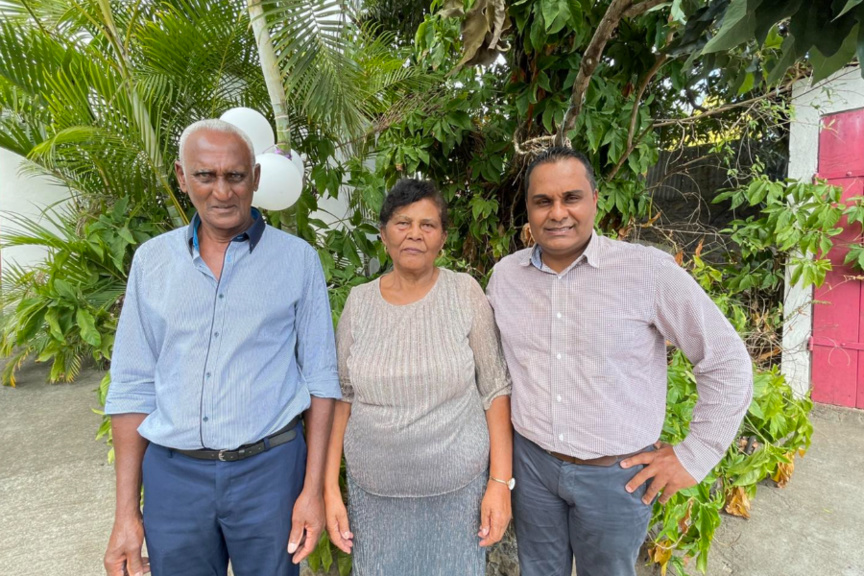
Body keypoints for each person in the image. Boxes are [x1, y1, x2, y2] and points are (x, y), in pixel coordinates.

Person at [486, 147, 753, 576]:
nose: (558, 213)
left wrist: (696, 454)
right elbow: (491, 370)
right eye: (543, 201)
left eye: (571, 197)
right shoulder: (506, 278)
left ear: (594, 199)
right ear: (529, 209)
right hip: (532, 467)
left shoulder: (648, 272)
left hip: (616, 478)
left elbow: (725, 359)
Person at [102, 119, 340, 576]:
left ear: (255, 177)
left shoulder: (298, 261)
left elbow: (321, 380)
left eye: (234, 176)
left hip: (269, 475)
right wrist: (126, 516)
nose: (222, 192)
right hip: (175, 480)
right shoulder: (152, 262)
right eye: (205, 176)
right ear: (181, 176)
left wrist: (311, 491)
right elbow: (132, 387)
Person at [323, 179, 514, 575]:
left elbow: (495, 389)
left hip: (458, 495)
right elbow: (342, 398)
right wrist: (329, 490)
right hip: (373, 496)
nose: (414, 234)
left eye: (428, 225)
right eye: (402, 222)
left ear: (443, 237)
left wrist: (499, 482)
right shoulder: (359, 303)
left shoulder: (465, 293)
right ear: (383, 233)